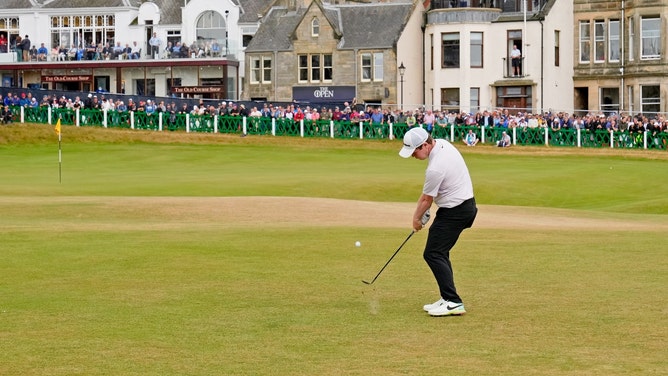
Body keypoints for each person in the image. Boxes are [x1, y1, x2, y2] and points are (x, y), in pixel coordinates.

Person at [399, 127, 477, 317]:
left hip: (456, 211)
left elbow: (427, 199)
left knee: (433, 253)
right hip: (460, 207)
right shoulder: (443, 144)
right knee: (439, 252)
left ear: (425, 145)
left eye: (415, 151)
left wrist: (416, 219)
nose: (413, 156)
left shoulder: (435, 168)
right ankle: (447, 297)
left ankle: (453, 302)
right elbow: (432, 195)